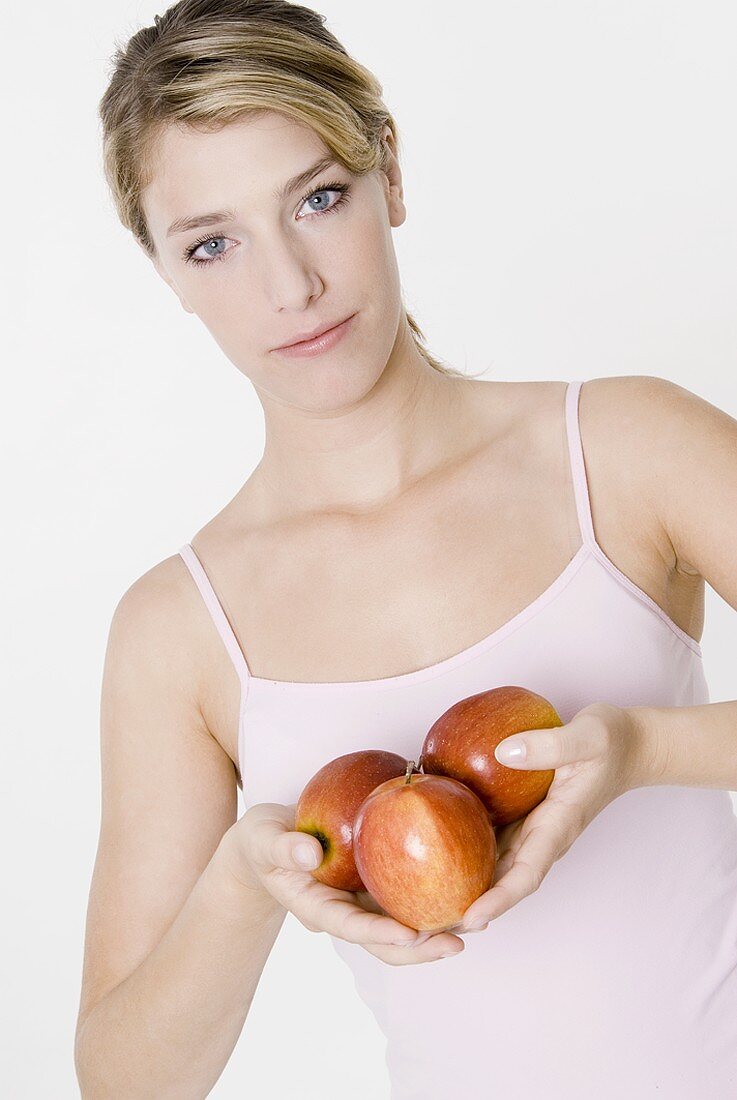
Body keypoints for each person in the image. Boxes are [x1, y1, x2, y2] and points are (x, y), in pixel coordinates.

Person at [75, 1, 737, 1096]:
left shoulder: (625, 446)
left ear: (389, 170)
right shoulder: (179, 630)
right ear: (165, 272)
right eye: (213, 243)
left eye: (317, 198)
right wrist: (247, 880)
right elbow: (122, 1079)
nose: (288, 286)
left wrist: (642, 752)